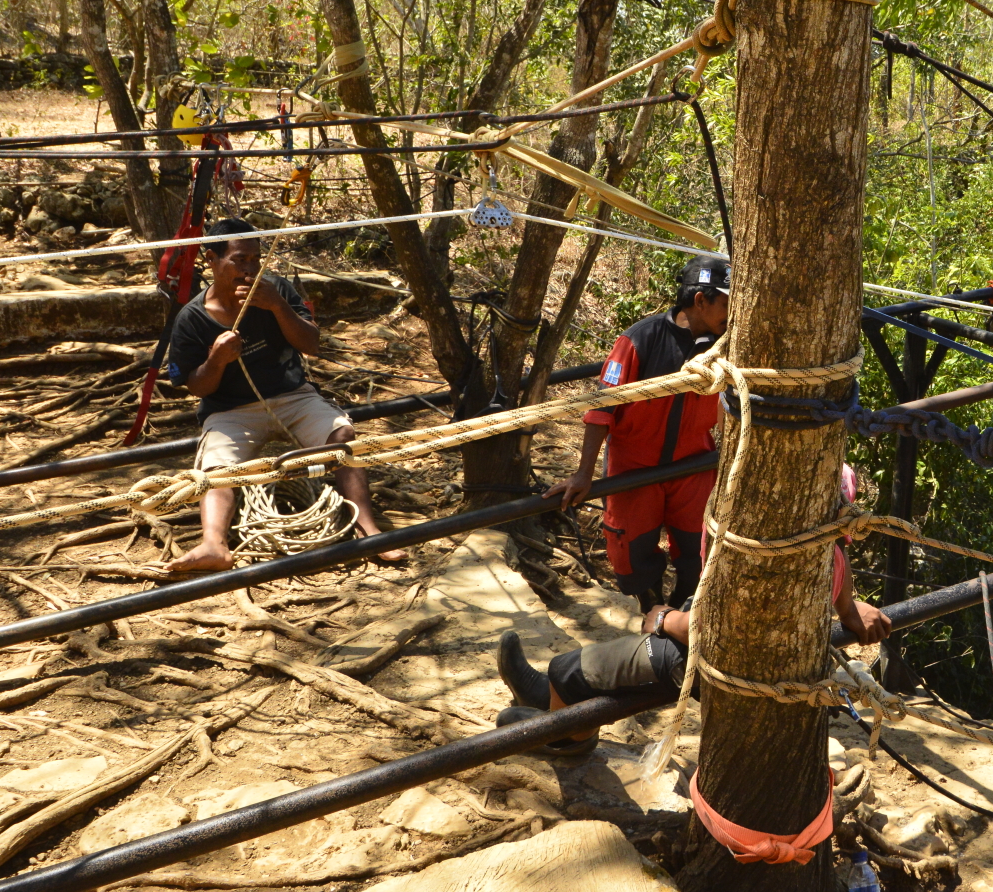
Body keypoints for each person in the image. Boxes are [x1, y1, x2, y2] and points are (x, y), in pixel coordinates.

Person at [496, 466, 892, 754]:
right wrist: (851, 610)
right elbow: (843, 593)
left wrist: (665, 619)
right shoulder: (832, 557)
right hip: (768, 665)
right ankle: (544, 700)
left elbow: (714, 632)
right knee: (633, 652)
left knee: (572, 669)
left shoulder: (750, 550)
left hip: (718, 663)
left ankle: (566, 738)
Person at [163, 216, 404, 572]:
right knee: (216, 468)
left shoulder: (276, 291)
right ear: (211, 260)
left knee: (342, 435)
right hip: (230, 410)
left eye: (254, 259)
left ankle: (367, 529)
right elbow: (197, 387)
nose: (249, 268)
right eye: (239, 259)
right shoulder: (191, 318)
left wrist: (278, 306)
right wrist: (216, 359)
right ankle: (214, 544)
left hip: (293, 397)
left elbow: (312, 345)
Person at [545, 255, 730, 611]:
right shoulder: (640, 340)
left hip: (694, 466)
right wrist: (583, 474)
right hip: (635, 468)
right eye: (725, 303)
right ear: (700, 300)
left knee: (700, 548)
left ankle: (683, 613)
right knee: (631, 548)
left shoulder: (723, 346)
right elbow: (602, 409)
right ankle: (652, 611)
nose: (731, 313)